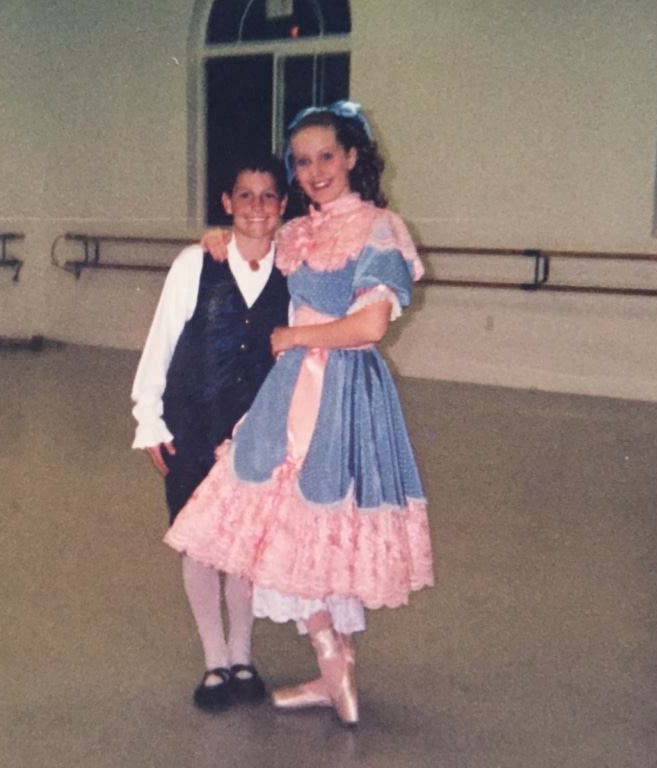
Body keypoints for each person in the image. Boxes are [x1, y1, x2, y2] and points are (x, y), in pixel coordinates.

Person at [164, 101, 435, 726]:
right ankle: (331, 666)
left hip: (339, 392)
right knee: (283, 529)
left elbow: (372, 323)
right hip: (288, 394)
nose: (313, 172)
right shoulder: (299, 231)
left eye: (326, 157)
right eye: (302, 161)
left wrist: (294, 339)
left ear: (352, 158)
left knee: (316, 522)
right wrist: (216, 239)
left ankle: (336, 671)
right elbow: (248, 245)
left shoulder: (379, 227)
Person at [131, 153, 290, 710]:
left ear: (283, 206)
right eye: (244, 195)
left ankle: (243, 656)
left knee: (243, 547)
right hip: (191, 423)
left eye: (268, 195)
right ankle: (215, 662)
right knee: (200, 544)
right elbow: (163, 339)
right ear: (226, 204)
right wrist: (148, 416)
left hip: (257, 431)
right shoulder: (193, 264)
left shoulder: (294, 269)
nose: (256, 207)